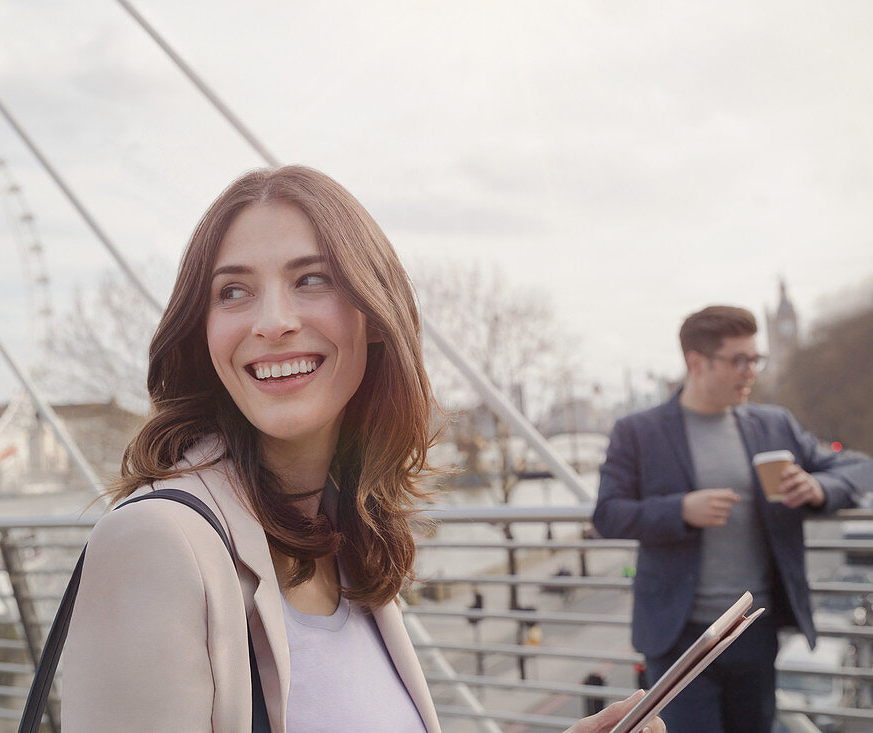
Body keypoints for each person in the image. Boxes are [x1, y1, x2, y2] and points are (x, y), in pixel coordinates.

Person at [63, 165, 665, 732]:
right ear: (202, 331)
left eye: (312, 280)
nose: (273, 321)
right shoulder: (156, 543)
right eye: (233, 292)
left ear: (375, 316)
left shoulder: (343, 538)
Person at [593, 305, 870, 733]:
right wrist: (680, 510)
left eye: (754, 359)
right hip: (678, 637)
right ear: (695, 362)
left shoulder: (773, 423)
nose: (750, 371)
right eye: (738, 360)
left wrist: (819, 490)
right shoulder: (638, 431)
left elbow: (857, 467)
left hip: (752, 631)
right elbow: (607, 515)